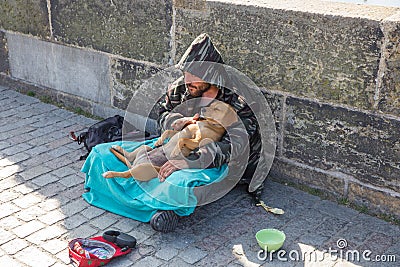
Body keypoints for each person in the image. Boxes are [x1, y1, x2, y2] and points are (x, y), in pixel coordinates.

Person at [149, 33, 265, 231]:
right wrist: (176, 122)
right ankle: (148, 199)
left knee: (179, 179)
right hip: (183, 145)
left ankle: (167, 211)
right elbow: (162, 114)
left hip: (223, 161)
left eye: (196, 76)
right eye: (186, 73)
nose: (188, 80)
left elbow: (236, 147)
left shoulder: (240, 99)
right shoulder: (183, 88)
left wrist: (189, 161)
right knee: (116, 157)